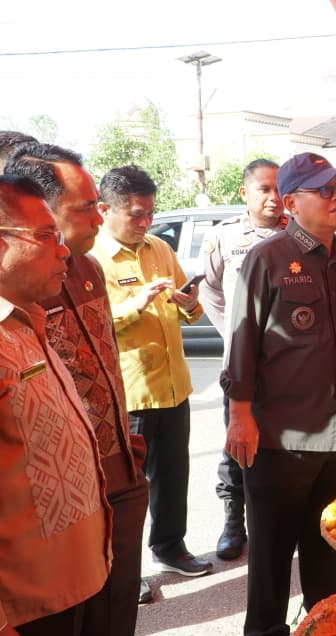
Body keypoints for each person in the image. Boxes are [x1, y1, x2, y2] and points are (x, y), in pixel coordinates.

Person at [5, 145, 171, 636]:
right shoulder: (22, 291)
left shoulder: (89, 270)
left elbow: (101, 360)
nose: (100, 217)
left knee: (114, 600)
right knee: (59, 630)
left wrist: (123, 434)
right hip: (60, 490)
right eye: (86, 208)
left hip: (117, 461)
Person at [223, 152, 336, 636]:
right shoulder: (266, 259)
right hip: (279, 434)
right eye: (322, 190)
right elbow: (242, 342)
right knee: (270, 544)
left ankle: (320, 627)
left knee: (325, 539)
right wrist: (240, 416)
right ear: (291, 203)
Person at [0, 175, 112, 636]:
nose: (63, 248)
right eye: (46, 235)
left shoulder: (28, 324)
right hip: (26, 611)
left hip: (77, 583)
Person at [91, 165, 213, 578]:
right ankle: (126, 568)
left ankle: (170, 547)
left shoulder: (160, 248)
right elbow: (93, 325)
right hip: (132, 392)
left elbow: (189, 312)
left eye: (150, 215)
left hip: (174, 386)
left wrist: (188, 302)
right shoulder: (92, 259)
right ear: (105, 209)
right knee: (127, 488)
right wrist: (134, 304)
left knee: (174, 475)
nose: (144, 223)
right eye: (136, 214)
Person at [198, 158, 287, 561]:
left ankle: (280, 521)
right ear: (244, 193)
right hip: (242, 369)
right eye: (264, 189)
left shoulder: (299, 234)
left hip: (291, 369)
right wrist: (237, 340)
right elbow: (211, 292)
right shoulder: (224, 238)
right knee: (238, 447)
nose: (273, 198)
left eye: (279, 189)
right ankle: (235, 522)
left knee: (285, 451)